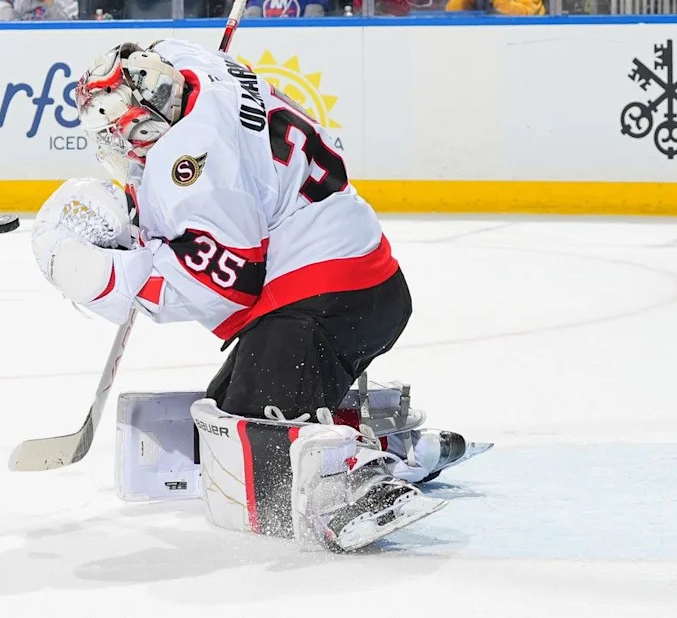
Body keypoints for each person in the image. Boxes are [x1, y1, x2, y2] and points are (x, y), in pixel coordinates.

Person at [28, 40, 488, 551]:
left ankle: (355, 479)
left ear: (146, 126)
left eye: (119, 133)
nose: (116, 146)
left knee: (259, 474)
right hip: (363, 286)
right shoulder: (198, 69)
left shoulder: (188, 168)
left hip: (324, 303)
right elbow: (167, 53)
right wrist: (141, 217)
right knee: (221, 423)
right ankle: (392, 445)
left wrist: (103, 275)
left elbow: (225, 288)